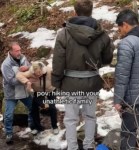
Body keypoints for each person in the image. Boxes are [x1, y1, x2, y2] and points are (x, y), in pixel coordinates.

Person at [52, 0, 114, 149]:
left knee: (71, 119)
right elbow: (107, 59)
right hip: (91, 83)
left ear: (75, 12)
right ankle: (89, 145)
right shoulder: (102, 34)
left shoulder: (64, 34)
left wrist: (57, 81)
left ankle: (72, 147)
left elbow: (58, 61)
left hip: (71, 84)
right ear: (91, 12)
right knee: (90, 116)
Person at [114, 9, 139, 150]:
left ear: (125, 25)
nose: (120, 32)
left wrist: (118, 100)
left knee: (129, 134)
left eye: (119, 28)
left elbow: (122, 75)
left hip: (134, 101)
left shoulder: (127, 43)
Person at [1, 42, 33, 144]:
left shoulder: (23, 58)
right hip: (12, 94)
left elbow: (31, 68)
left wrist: (27, 68)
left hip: (24, 92)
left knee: (33, 108)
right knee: (9, 115)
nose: (19, 52)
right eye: (17, 51)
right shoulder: (6, 64)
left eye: (20, 50)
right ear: (10, 51)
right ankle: (9, 133)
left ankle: (32, 127)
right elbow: (11, 81)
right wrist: (23, 76)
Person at [16, 60, 59, 134]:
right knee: (34, 108)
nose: (38, 74)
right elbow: (18, 75)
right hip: (39, 91)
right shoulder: (30, 72)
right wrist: (27, 81)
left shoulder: (49, 70)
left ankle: (54, 126)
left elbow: (59, 73)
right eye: (36, 73)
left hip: (50, 90)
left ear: (42, 69)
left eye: (39, 72)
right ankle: (37, 127)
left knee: (52, 107)